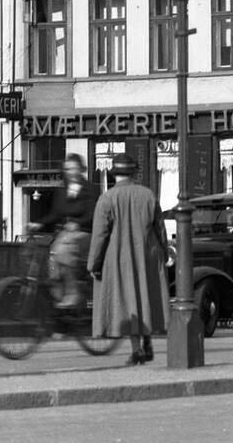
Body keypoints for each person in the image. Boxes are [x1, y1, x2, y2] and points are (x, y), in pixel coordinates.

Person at [87, 152, 168, 365]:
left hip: (120, 256)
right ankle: (147, 341)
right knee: (145, 295)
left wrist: (94, 263)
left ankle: (137, 350)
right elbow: (160, 229)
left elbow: (100, 235)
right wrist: (165, 253)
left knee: (129, 300)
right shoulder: (148, 195)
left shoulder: (107, 199)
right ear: (134, 173)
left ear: (114, 174)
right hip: (148, 253)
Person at [27, 153, 99, 309]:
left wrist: (77, 223)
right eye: (67, 169)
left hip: (84, 232)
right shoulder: (62, 189)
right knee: (51, 259)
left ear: (81, 169)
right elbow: (55, 213)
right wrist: (38, 223)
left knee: (63, 250)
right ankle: (58, 297)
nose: (70, 172)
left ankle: (73, 293)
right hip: (64, 234)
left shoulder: (91, 189)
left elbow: (92, 214)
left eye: (73, 169)